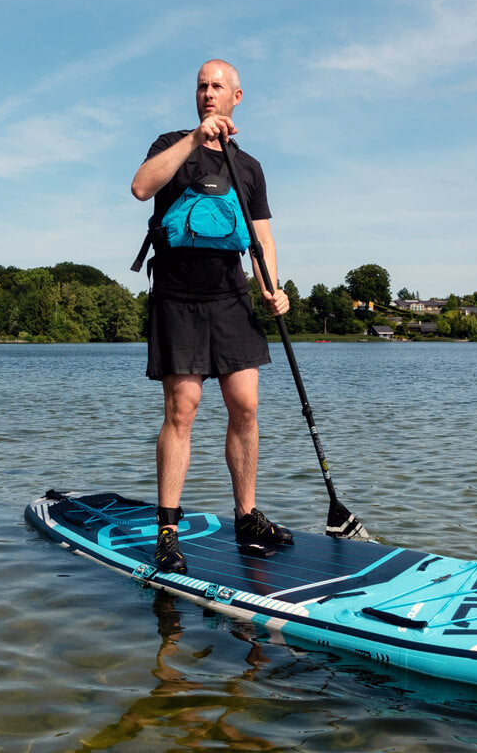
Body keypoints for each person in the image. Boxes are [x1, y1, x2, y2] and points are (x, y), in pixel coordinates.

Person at [130, 59, 293, 575]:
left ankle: (246, 516)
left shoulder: (249, 167)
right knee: (183, 408)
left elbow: (262, 236)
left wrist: (272, 286)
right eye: (201, 86)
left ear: (236, 97)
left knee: (245, 406)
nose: (207, 93)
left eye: (217, 87)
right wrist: (194, 139)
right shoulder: (169, 144)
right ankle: (168, 529)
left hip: (230, 297)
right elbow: (140, 187)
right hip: (178, 297)